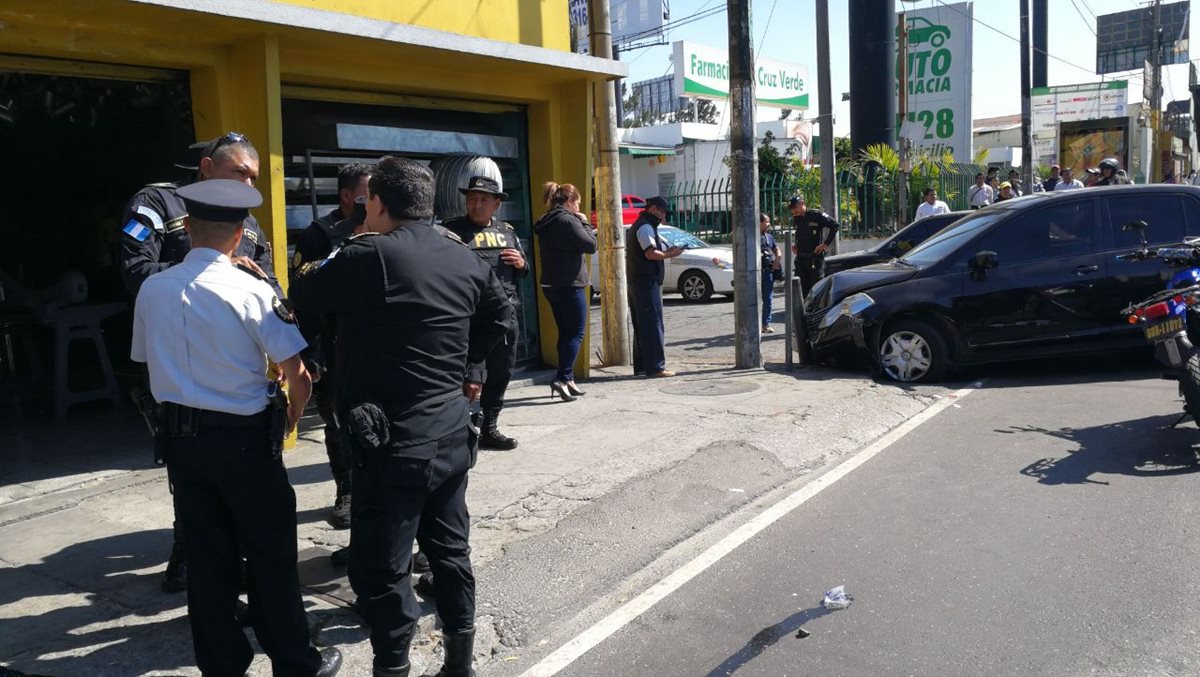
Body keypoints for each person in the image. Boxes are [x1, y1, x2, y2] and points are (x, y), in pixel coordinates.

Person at [289, 156, 511, 677]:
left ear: (376, 202)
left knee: (383, 569)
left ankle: (393, 665)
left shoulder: (368, 254)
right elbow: (500, 316)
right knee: (450, 552)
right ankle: (459, 663)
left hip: (393, 443)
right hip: (451, 432)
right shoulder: (461, 255)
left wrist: (356, 237)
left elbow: (303, 292)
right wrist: (466, 363)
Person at [131, 179, 341, 677]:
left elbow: (144, 360)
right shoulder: (250, 290)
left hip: (181, 443)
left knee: (207, 559)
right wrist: (291, 418)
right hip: (244, 442)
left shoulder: (152, 290)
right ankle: (295, 661)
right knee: (270, 555)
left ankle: (222, 664)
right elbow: (298, 375)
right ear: (239, 234)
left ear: (187, 228)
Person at [118, 132, 278, 595]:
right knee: (190, 465)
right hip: (179, 357)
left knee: (240, 468)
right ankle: (188, 553)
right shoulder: (157, 203)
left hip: (234, 360)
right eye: (240, 173)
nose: (248, 184)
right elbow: (135, 271)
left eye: (254, 177)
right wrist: (209, 270)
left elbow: (267, 280)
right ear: (207, 167)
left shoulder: (248, 220)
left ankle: (232, 559)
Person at [292, 162, 373, 530]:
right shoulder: (318, 235)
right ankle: (347, 491)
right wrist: (310, 355)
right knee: (339, 423)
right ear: (346, 196)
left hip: (374, 344)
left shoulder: (385, 225)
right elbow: (303, 300)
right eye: (366, 195)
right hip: (334, 347)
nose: (374, 201)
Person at [442, 175, 529, 450]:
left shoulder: (507, 231)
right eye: (472, 199)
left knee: (500, 372)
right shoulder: (450, 231)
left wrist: (521, 263)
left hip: (504, 316)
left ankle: (489, 427)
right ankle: (455, 432)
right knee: (461, 375)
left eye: (483, 200)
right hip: (466, 316)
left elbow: (523, 271)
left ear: (497, 204)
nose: (476, 205)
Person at [534, 182, 598, 396]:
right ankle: (562, 379)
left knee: (565, 333)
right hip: (570, 284)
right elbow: (591, 245)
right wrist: (585, 222)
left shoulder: (546, 220)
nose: (579, 207)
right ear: (570, 201)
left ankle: (568, 378)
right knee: (576, 333)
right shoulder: (568, 220)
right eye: (578, 202)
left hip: (550, 284)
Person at [625, 195, 683, 378]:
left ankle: (643, 366)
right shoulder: (645, 227)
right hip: (645, 282)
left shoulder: (642, 225)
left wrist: (667, 252)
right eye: (663, 212)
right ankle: (656, 367)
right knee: (652, 324)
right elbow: (650, 253)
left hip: (639, 282)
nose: (664, 216)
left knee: (643, 325)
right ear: (653, 209)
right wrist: (670, 254)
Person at [788, 194, 839, 297]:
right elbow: (800, 234)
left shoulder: (816, 215)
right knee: (801, 292)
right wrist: (796, 245)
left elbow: (835, 226)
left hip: (814, 260)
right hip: (801, 260)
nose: (793, 211)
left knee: (816, 291)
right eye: (792, 209)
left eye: (795, 208)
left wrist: (826, 244)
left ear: (802, 204)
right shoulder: (796, 218)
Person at [759, 214, 781, 334]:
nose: (769, 224)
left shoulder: (769, 237)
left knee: (768, 299)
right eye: (767, 222)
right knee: (753, 299)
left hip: (768, 272)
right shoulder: (752, 237)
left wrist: (778, 257)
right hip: (756, 273)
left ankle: (765, 324)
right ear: (759, 223)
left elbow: (776, 248)